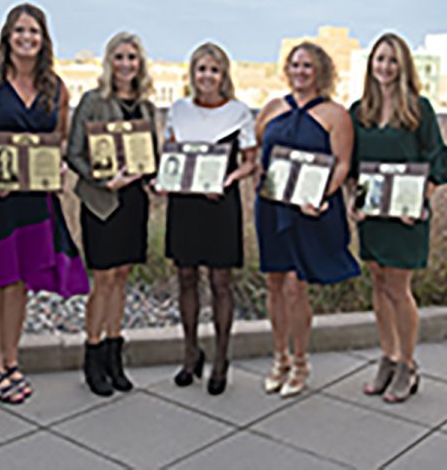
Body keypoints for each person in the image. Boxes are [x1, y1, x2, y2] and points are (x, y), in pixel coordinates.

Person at [0, 3, 89, 404]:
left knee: (19, 281)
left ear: (44, 39)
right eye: (20, 30)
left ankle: (11, 360)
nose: (27, 38)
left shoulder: (56, 88)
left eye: (35, 31)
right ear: (8, 35)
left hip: (32, 199)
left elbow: (58, 138)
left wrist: (59, 165)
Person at [347, 33, 447, 403]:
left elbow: (436, 160)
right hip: (373, 215)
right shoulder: (358, 111)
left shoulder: (418, 109)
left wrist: (419, 203)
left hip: (407, 217)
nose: (385, 67)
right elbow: (352, 168)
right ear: (371, 64)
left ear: (404, 66)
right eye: (380, 59)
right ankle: (388, 357)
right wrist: (355, 201)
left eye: (392, 60)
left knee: (398, 286)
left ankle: (408, 365)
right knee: (378, 283)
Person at [254, 42, 360, 397]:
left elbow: (342, 164)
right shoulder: (271, 109)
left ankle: (300, 362)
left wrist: (321, 197)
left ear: (321, 72)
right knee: (273, 282)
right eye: (295, 65)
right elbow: (260, 154)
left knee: (295, 287)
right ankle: (278, 358)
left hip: (309, 210)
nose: (300, 71)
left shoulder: (335, 114)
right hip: (271, 207)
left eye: (308, 66)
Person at [67, 31, 158, 396]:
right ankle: (93, 355)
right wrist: (103, 182)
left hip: (134, 201)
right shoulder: (92, 101)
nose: (125, 65)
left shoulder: (147, 107)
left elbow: (150, 155)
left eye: (132, 58)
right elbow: (73, 154)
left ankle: (114, 354)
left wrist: (151, 175)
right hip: (103, 202)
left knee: (122, 276)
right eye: (119, 57)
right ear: (109, 62)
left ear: (140, 64)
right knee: (102, 278)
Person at [162, 42, 257, 395]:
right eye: (201, 69)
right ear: (192, 74)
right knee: (186, 277)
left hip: (220, 203)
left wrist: (230, 180)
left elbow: (250, 161)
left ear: (224, 75)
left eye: (214, 70)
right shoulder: (178, 109)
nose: (207, 76)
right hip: (184, 203)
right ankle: (190, 353)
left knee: (220, 281)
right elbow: (169, 153)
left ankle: (220, 358)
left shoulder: (239, 112)